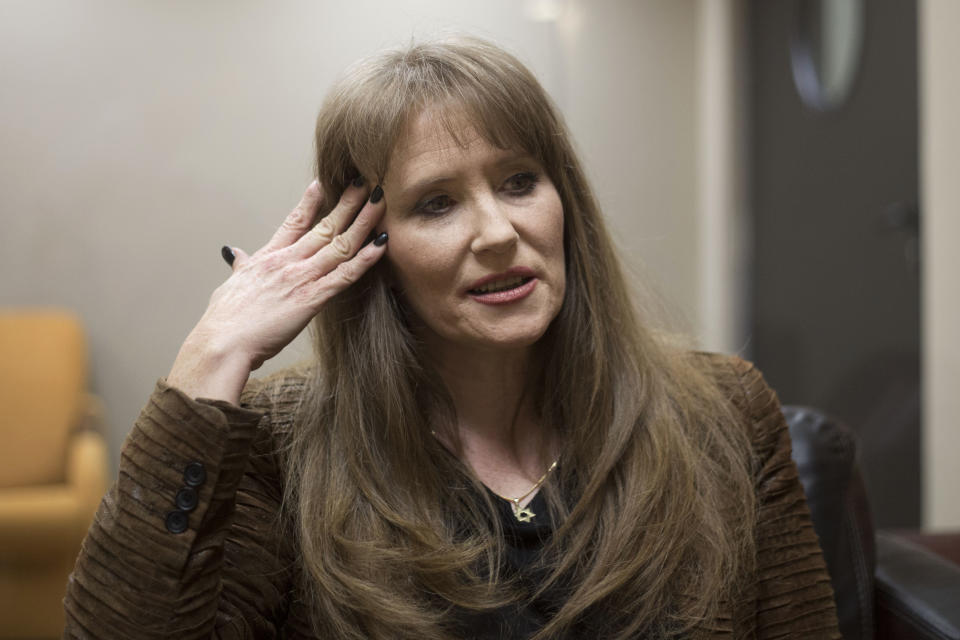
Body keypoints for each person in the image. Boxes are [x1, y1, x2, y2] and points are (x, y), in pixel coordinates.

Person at [63, 37, 840, 639]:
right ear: (370, 245)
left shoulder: (727, 411)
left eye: (518, 182)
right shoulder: (281, 444)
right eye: (436, 204)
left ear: (563, 199)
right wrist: (212, 356)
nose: (499, 233)